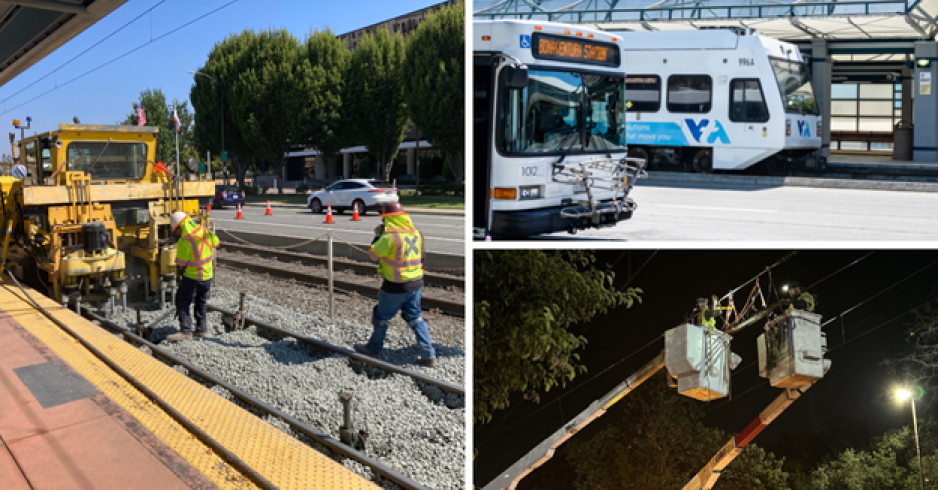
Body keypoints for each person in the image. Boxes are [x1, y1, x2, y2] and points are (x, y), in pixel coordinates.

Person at [353, 202, 437, 368]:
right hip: (416, 284)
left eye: (384, 219)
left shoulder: (389, 236)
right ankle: (429, 356)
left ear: (389, 219)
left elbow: (373, 255)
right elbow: (422, 256)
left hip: (395, 286)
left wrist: (377, 236)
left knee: (381, 318)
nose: (383, 222)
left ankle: (373, 349)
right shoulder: (416, 233)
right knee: (415, 318)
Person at [166, 211, 219, 341]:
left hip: (193, 277)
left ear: (180, 226)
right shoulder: (205, 231)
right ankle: (201, 329)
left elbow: (180, 263)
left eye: (176, 230)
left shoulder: (184, 241)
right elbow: (216, 243)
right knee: (201, 301)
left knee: (182, 299)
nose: (176, 233)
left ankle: (186, 331)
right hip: (207, 276)